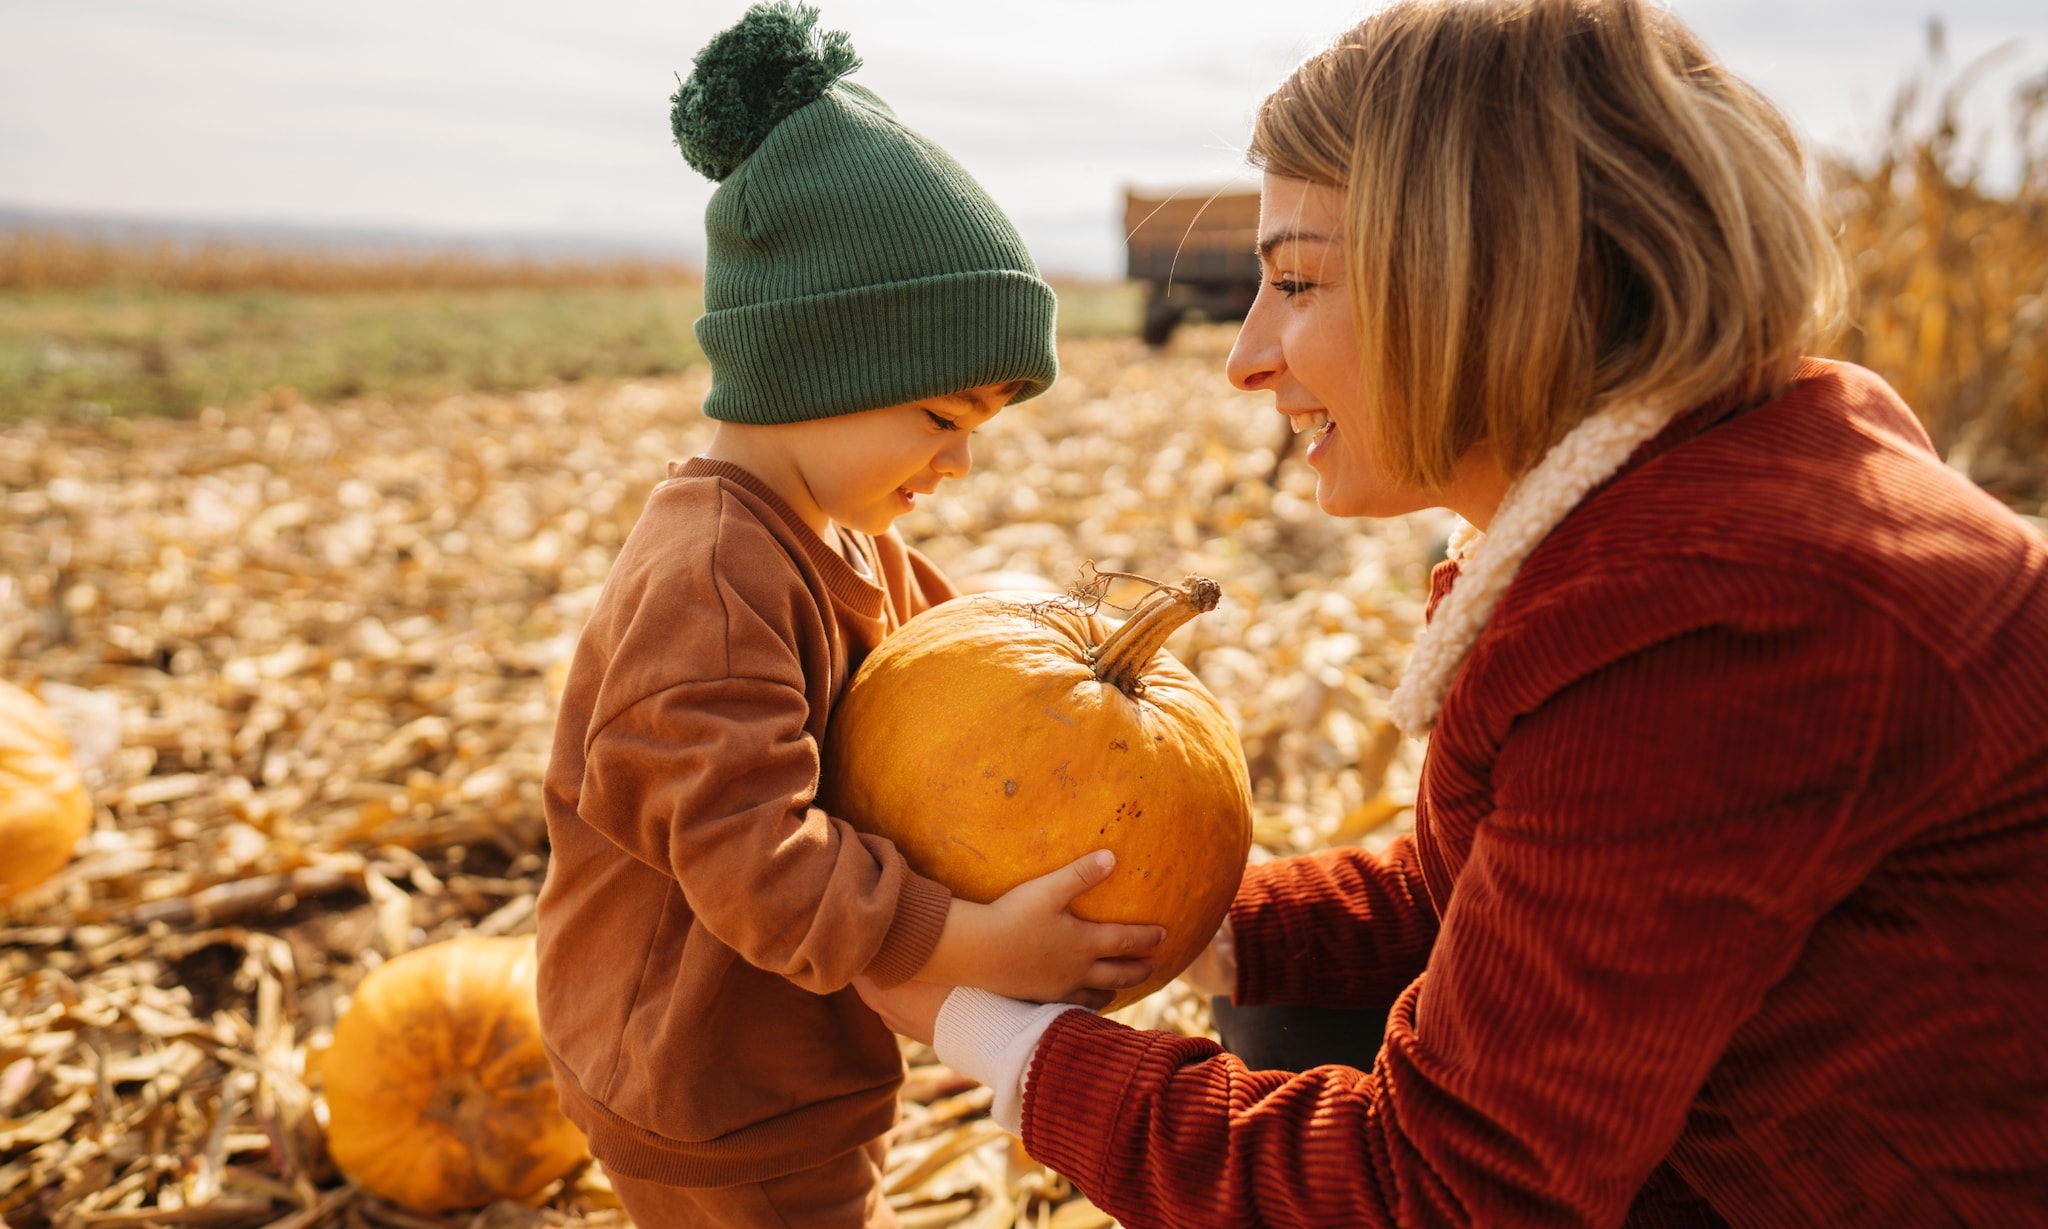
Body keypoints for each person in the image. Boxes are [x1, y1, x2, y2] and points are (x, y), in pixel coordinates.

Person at [857, 0, 2048, 1224]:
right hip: (1787, 1149)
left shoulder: (1723, 617)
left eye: (1298, 280)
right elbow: (1482, 896)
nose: (1245, 356)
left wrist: (981, 1025)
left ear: (1486, 276)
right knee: (1287, 1006)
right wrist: (1149, 929)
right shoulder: (1730, 481)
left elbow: (1437, 1192)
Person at [532, 6, 1163, 1227]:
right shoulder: (709, 581)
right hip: (704, 1075)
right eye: (942, 417)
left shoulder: (844, 534)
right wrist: (969, 945)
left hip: (783, 1050)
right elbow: (751, 858)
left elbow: (950, 673)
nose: (960, 464)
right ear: (822, 366)